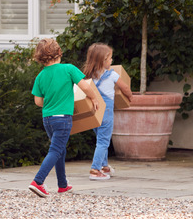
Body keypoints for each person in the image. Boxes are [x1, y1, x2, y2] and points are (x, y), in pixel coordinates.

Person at [29, 38, 99, 197]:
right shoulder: (68, 69)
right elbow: (85, 86)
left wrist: (52, 102)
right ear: (58, 53)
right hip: (62, 118)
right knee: (55, 150)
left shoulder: (40, 76)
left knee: (59, 149)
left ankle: (62, 185)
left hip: (47, 119)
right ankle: (38, 182)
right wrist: (94, 98)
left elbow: (38, 101)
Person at [83, 43, 133, 181]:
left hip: (94, 112)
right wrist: (130, 97)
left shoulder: (88, 75)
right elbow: (125, 88)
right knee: (104, 141)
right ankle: (95, 169)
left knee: (101, 139)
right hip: (106, 111)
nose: (112, 61)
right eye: (110, 58)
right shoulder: (112, 75)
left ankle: (104, 166)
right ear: (103, 60)